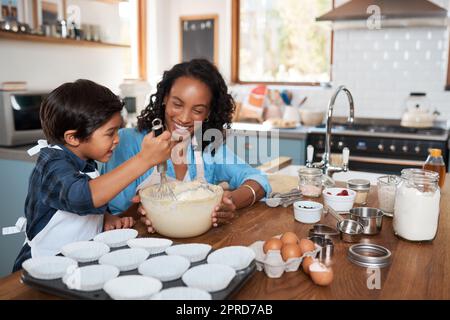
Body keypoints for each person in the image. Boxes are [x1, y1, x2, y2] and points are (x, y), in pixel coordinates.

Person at [12, 79, 174, 271]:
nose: (117, 139)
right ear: (73, 137)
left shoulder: (84, 159)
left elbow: (72, 208)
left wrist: (104, 218)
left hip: (76, 264)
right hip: (41, 267)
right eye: (110, 133)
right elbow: (82, 197)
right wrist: (144, 159)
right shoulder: (52, 165)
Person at [102, 59, 271, 232]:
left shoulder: (208, 146)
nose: (184, 118)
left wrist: (229, 203)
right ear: (164, 98)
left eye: (197, 110)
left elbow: (259, 181)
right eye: (177, 104)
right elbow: (113, 217)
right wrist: (146, 208)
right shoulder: (127, 142)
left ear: (208, 113)